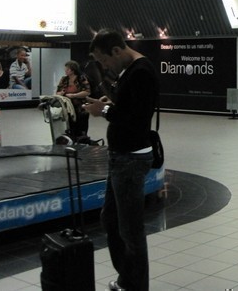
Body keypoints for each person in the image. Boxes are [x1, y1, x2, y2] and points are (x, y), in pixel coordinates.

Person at [83, 29, 159, 291]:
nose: (104, 67)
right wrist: (108, 102)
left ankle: (135, 284)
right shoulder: (131, 70)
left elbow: (134, 118)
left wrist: (103, 110)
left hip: (130, 159)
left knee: (129, 227)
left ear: (116, 50)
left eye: (104, 60)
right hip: (121, 158)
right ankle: (128, 277)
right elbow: (127, 106)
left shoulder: (141, 72)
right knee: (111, 219)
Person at [55, 60, 91, 138]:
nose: (65, 70)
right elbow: (57, 93)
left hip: (81, 108)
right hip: (68, 108)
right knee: (71, 128)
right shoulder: (64, 79)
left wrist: (74, 95)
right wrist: (61, 93)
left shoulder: (81, 78)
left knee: (81, 129)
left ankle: (82, 142)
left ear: (73, 70)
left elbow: (87, 92)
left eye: (67, 69)